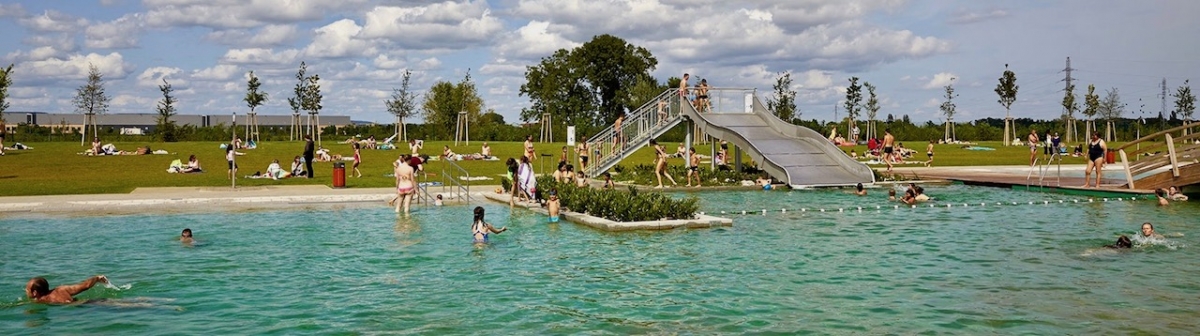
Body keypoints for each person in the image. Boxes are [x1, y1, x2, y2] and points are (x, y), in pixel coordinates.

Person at [25, 275, 110, 304]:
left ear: (35, 292)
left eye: (27, 289)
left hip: (82, 307)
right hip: (88, 302)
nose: (26, 290)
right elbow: (86, 285)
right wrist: (97, 278)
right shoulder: (61, 289)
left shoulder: (41, 301)